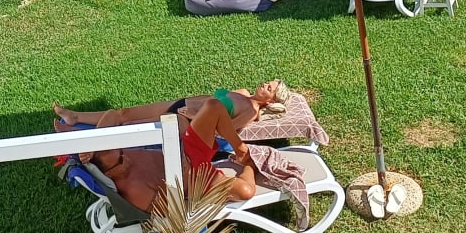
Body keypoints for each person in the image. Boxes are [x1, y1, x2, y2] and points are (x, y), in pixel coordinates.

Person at [86, 95, 257, 210]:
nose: (126, 155)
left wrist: (91, 145)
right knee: (246, 191)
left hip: (187, 151)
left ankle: (241, 150)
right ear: (110, 173)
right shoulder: (134, 190)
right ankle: (249, 163)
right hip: (195, 181)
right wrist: (182, 178)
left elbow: (112, 115)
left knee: (213, 106)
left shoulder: (110, 153)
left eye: (121, 151)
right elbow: (168, 211)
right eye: (121, 158)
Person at [54, 80, 292, 135]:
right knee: (123, 113)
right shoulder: (242, 92)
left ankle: (81, 139)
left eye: (269, 88)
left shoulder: (251, 112)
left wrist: (195, 116)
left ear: (271, 101)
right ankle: (75, 117)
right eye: (268, 82)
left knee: (128, 126)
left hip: (186, 120)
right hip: (182, 104)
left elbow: (224, 130)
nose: (265, 84)